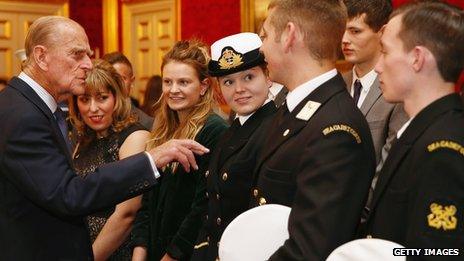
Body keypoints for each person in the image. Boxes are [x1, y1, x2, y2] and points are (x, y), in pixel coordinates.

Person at [0, 16, 208, 260]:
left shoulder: (27, 106)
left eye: (88, 55)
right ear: (41, 56)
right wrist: (151, 159)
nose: (88, 64)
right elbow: (69, 194)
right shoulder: (24, 115)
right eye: (77, 55)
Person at [254, 0, 376, 259]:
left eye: (264, 35)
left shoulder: (336, 130)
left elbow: (311, 249)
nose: (260, 48)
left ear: (289, 35)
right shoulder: (293, 108)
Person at [362, 1, 464, 251]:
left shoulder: (443, 150)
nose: (377, 66)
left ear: (417, 58)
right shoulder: (422, 129)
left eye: (385, 52)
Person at [131, 40, 228, 261]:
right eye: (168, 82)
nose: (173, 90)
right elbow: (146, 202)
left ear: (203, 86)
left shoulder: (214, 130)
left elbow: (203, 208)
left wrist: (171, 256)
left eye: (183, 82)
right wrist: (139, 253)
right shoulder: (162, 128)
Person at [191, 32, 277, 261]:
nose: (239, 89)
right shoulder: (231, 130)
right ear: (218, 88)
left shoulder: (277, 130)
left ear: (268, 77)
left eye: (248, 77)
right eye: (229, 82)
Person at [69, 59, 149, 260]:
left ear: (116, 98)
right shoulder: (81, 139)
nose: (93, 108)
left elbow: (126, 215)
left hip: (116, 253)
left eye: (102, 98)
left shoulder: (134, 137)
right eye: (84, 100)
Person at [341, 0, 409, 217]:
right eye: (342, 30)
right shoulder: (336, 84)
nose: (344, 40)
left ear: (382, 33)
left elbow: (389, 168)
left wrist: (352, 216)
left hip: (369, 218)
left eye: (355, 31)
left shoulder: (397, 92)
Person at [102, 51, 154, 130]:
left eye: (121, 79)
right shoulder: (91, 119)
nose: (115, 84)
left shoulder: (146, 123)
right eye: (110, 79)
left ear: (131, 82)